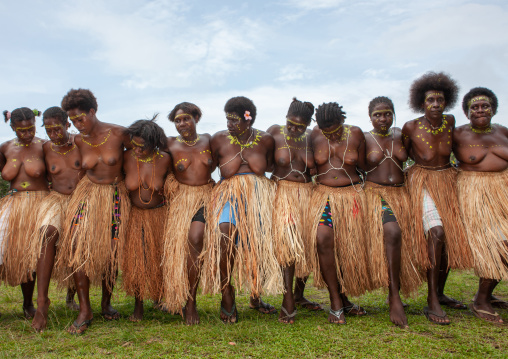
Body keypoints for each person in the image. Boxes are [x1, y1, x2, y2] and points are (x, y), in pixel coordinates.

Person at [202, 96, 283, 323]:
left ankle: (256, 295)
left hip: (258, 194)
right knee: (225, 232)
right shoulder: (218, 139)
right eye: (227, 119)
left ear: (248, 120)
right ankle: (227, 293)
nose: (229, 124)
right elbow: (210, 167)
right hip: (229, 192)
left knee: (256, 243)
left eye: (235, 120)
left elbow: (272, 166)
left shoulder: (265, 139)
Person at [56, 89, 131, 334]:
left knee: (111, 251)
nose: (77, 125)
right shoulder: (78, 140)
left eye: (80, 119)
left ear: (92, 111)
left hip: (114, 195)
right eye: (73, 121)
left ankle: (106, 303)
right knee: (77, 244)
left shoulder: (119, 133)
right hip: (87, 195)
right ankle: (84, 309)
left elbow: (141, 157)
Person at [402, 72, 472, 325]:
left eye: (440, 100)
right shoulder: (411, 127)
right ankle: (431, 298)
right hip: (423, 182)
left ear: (447, 102)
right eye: (430, 100)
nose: (435, 104)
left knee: (450, 238)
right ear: (422, 102)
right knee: (437, 232)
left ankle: (440, 292)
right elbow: (403, 154)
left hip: (448, 181)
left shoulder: (451, 122)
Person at [363, 97, 423, 328]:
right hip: (376, 194)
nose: (382, 118)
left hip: (402, 194)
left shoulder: (401, 135)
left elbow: (418, 158)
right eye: (377, 115)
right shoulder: (365, 138)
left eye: (387, 113)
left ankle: (404, 293)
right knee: (393, 232)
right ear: (370, 117)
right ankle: (394, 296)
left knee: (410, 241)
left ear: (393, 114)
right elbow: (359, 166)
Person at [308, 102, 370, 325]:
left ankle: (344, 298)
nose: (330, 134)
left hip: (351, 195)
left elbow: (363, 165)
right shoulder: (314, 135)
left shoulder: (355, 134)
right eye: (325, 130)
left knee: (345, 249)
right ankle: (335, 301)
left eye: (333, 129)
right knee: (322, 239)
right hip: (323, 195)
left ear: (342, 121)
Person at [453, 87, 508, 323]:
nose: (480, 110)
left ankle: (488, 294)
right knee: (498, 244)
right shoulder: (457, 134)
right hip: (475, 194)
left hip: (502, 192)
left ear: (493, 109)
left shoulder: (504, 132)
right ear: (467, 113)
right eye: (474, 107)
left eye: (484, 106)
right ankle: (481, 300)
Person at [162, 102, 214, 325]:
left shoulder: (209, 140)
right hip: (180, 200)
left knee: (196, 239)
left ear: (196, 118)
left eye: (186, 119)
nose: (182, 123)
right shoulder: (170, 144)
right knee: (178, 252)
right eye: (177, 120)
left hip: (205, 197)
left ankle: (191, 301)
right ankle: (175, 295)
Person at [31, 107, 82, 332]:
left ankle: (73, 295)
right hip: (56, 199)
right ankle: (42, 303)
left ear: (67, 125)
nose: (53, 133)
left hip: (81, 200)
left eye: (57, 128)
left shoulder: (80, 143)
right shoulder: (44, 148)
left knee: (75, 243)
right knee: (47, 232)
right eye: (49, 129)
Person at [267, 98, 318, 323]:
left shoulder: (311, 138)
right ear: (286, 116)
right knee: (289, 241)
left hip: (307, 192)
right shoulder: (274, 133)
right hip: (282, 192)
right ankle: (287, 299)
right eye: (291, 124)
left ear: (308, 124)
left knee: (305, 243)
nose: (295, 129)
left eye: (301, 126)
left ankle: (299, 294)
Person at [0, 108, 48, 320]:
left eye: (31, 128)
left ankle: (28, 304)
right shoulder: (4, 148)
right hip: (13, 203)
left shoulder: (45, 146)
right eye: (22, 130)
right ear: (12, 127)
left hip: (39, 203)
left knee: (31, 255)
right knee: (5, 251)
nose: (27, 133)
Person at [122, 117, 171, 322]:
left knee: (159, 257)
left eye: (143, 147)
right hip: (135, 216)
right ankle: (138, 304)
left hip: (160, 215)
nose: (138, 150)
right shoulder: (126, 158)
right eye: (135, 144)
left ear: (154, 144)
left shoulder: (165, 159)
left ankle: (160, 297)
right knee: (137, 260)